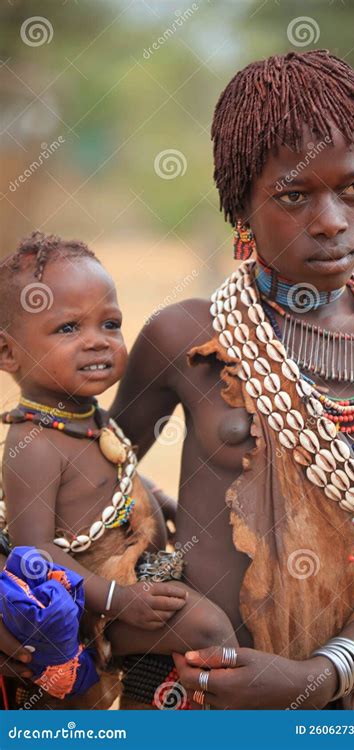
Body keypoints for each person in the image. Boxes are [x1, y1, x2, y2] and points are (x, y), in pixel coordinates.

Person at [110, 50, 354, 709]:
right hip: (181, 692)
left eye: (353, 188)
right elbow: (93, 475)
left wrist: (319, 677)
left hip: (325, 702)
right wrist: (144, 549)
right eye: (294, 196)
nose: (331, 220)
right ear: (241, 206)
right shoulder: (185, 337)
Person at [0, 232, 237, 710]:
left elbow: (113, 471)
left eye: (110, 324)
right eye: (68, 329)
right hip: (84, 605)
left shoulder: (85, 415)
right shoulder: (34, 444)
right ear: (7, 354)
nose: (97, 342)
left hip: (126, 581)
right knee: (208, 629)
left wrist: (155, 500)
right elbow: (33, 554)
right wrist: (116, 599)